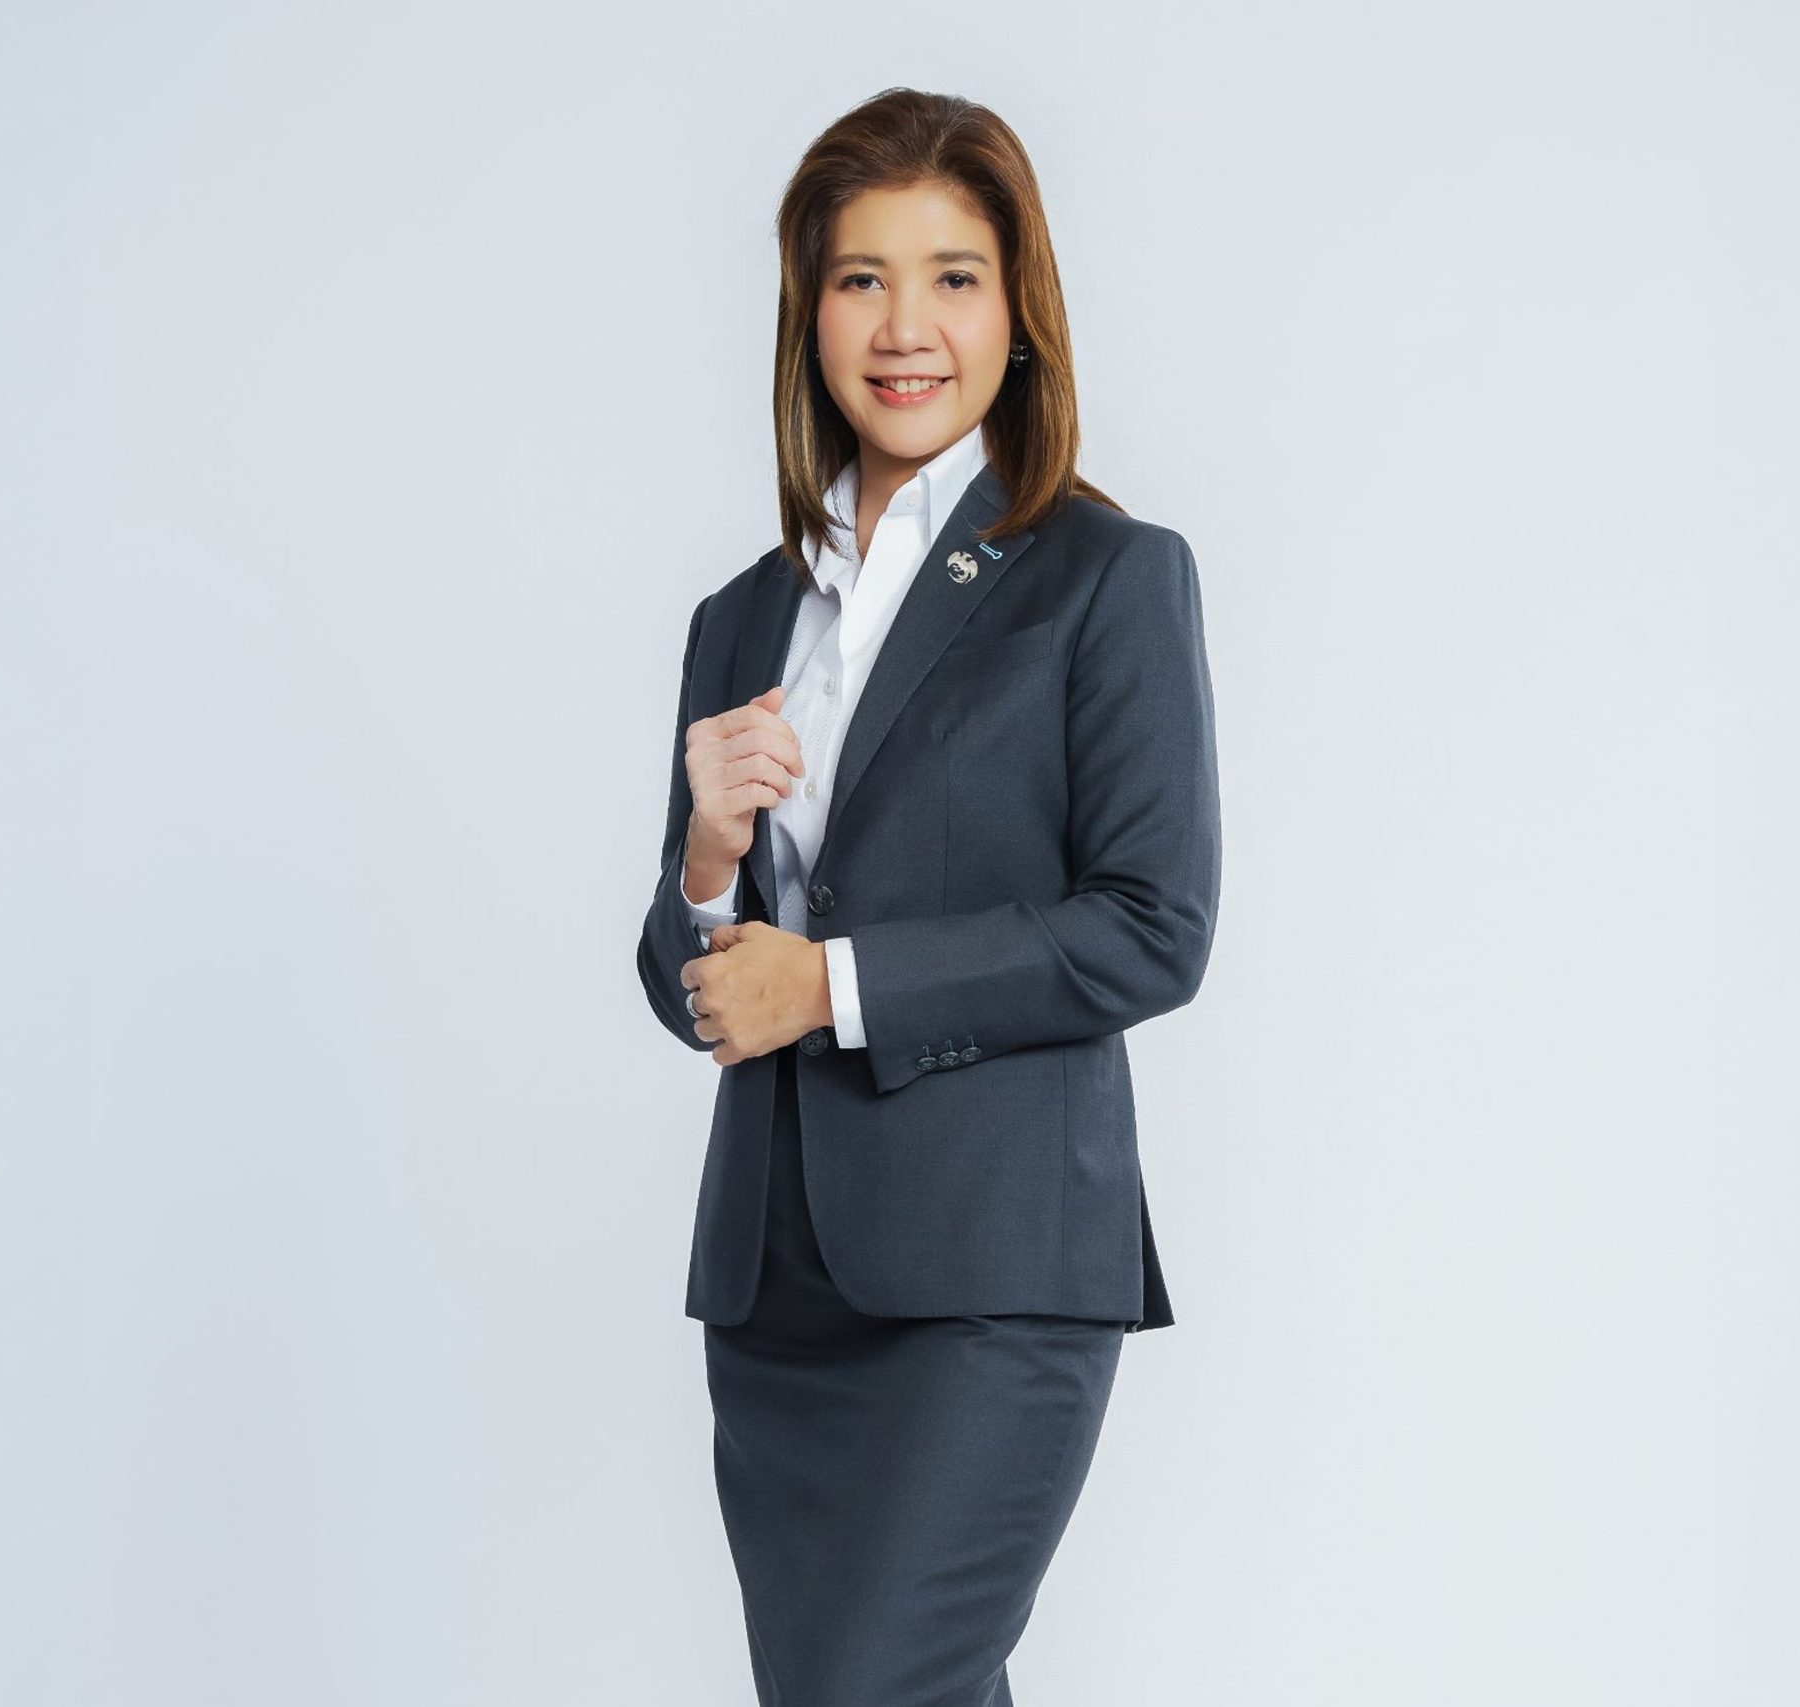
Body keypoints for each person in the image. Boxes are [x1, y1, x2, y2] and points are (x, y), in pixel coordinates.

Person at [634, 87, 1222, 1707]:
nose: (906, 328)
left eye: (954, 277)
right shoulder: (744, 616)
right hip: (779, 1285)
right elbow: (689, 980)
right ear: (807, 312)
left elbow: (1153, 925)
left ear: (1019, 313)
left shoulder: (1106, 578)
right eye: (861, 279)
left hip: (991, 1275)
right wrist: (705, 864)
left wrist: (827, 985)